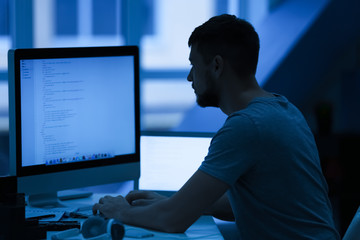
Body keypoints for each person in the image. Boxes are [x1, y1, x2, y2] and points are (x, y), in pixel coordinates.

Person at [93, 14, 340, 239]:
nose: (190, 77)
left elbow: (172, 221)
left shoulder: (246, 126)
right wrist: (175, 202)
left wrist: (120, 211)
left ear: (217, 66)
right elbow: (248, 203)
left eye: (194, 64)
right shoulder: (283, 109)